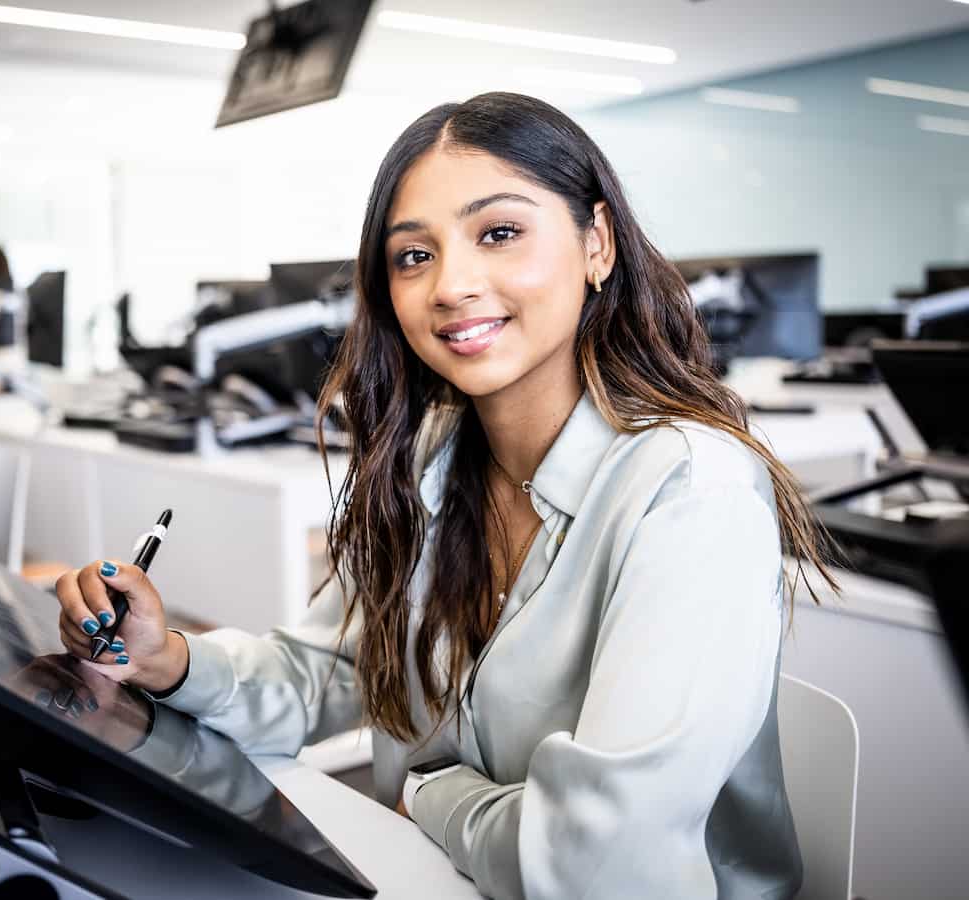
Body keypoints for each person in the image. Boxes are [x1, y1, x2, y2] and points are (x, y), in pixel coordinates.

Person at [53, 93, 838, 899]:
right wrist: (168, 659)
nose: (451, 285)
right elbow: (331, 671)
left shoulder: (687, 490)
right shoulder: (434, 454)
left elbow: (598, 861)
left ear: (596, 243)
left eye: (498, 233)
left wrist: (432, 794)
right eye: (413, 256)